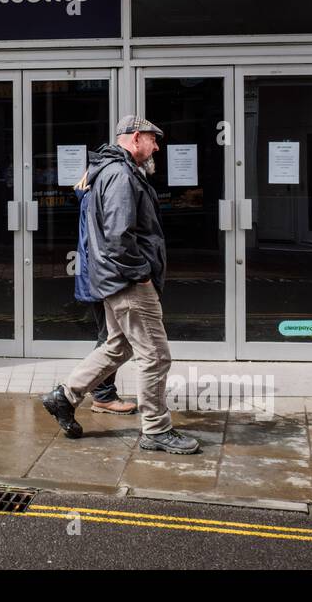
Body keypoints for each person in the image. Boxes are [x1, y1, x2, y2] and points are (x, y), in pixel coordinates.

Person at [42, 115, 200, 454]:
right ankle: (156, 430)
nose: (157, 146)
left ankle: (65, 396)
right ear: (135, 137)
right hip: (128, 281)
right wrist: (141, 273)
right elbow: (118, 236)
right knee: (156, 356)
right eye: (153, 139)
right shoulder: (120, 175)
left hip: (117, 279)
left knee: (118, 346)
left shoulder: (115, 171)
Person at [73, 166, 138, 415]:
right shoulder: (96, 198)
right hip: (101, 278)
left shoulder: (90, 195)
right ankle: (101, 395)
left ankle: (101, 394)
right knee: (109, 337)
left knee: (110, 335)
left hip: (97, 277)